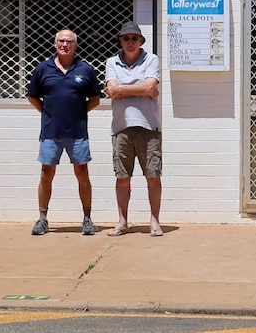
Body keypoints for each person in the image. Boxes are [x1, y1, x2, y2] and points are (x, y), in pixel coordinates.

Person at [26, 29, 102, 236]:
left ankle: (87, 219)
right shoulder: (43, 69)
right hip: (51, 132)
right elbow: (32, 96)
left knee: (82, 175)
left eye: (69, 41)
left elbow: (95, 99)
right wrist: (48, 113)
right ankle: (42, 219)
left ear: (75, 45)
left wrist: (77, 113)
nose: (65, 44)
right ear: (55, 43)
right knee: (46, 175)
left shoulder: (85, 69)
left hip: (77, 133)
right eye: (61, 41)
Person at [104, 21, 163, 237]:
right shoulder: (112, 62)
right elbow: (112, 90)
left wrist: (124, 89)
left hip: (148, 127)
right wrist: (140, 89)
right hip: (121, 127)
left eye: (134, 38)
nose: (130, 42)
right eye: (126, 38)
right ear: (120, 40)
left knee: (153, 176)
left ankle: (155, 221)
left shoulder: (151, 59)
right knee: (122, 177)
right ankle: (123, 222)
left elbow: (150, 86)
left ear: (141, 41)